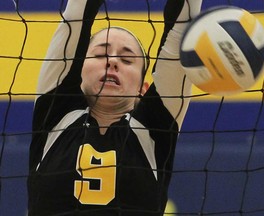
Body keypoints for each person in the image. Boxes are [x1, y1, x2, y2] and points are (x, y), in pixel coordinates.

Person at [28, 0, 202, 215]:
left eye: (127, 59)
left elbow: (181, 27)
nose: (112, 62)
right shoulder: (55, 113)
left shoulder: (156, 128)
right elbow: (78, 10)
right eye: (101, 55)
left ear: (142, 88)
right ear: (77, 71)